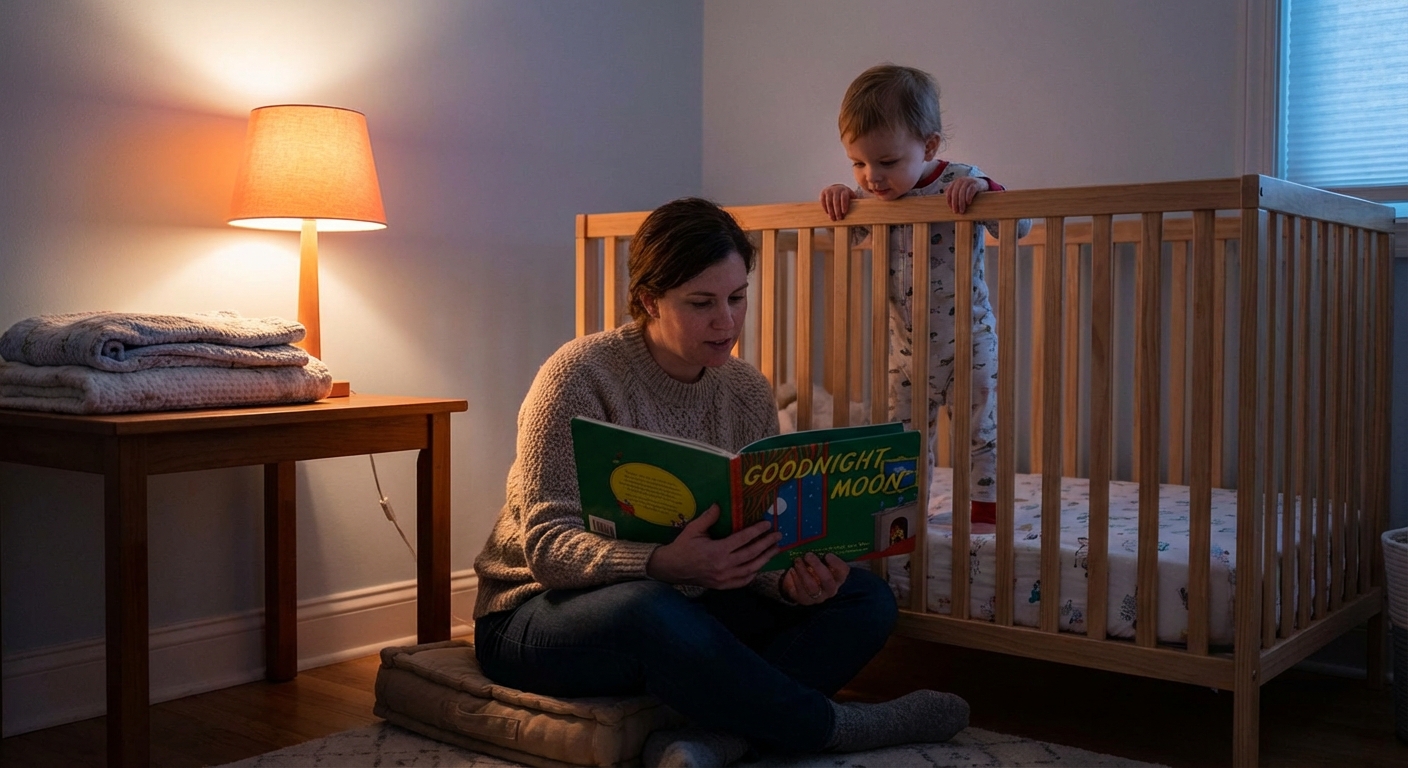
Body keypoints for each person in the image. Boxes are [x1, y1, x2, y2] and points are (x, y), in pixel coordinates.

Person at [472, 197, 969, 767]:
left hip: (692, 599)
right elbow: (547, 549)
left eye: (737, 298)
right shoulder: (578, 375)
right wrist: (661, 562)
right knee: (648, 607)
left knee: (866, 598)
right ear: (647, 300)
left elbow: (749, 539)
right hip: (538, 611)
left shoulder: (747, 390)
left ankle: (716, 738)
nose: (727, 321)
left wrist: (787, 583)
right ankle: (833, 726)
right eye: (701, 303)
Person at [820, 63, 1029, 526]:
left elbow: (1019, 225)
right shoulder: (873, 197)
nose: (871, 177)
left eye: (887, 162)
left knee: (981, 431)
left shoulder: (960, 180)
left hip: (968, 342)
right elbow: (839, 237)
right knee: (906, 438)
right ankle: (907, 511)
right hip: (907, 351)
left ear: (929, 145)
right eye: (857, 163)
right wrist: (840, 200)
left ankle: (984, 513)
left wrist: (986, 192)